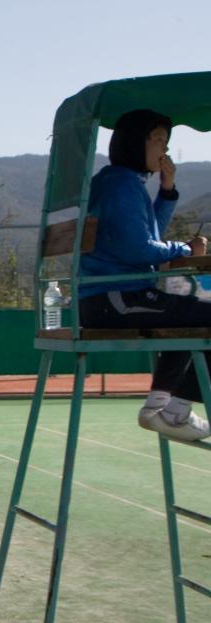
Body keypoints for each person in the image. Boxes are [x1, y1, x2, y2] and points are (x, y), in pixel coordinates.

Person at [78, 108, 210, 440]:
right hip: (114, 298)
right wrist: (184, 249)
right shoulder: (120, 184)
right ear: (134, 142)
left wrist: (167, 191)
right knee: (199, 315)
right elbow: (138, 250)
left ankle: (163, 408)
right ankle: (172, 411)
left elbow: (146, 236)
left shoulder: (122, 182)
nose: (164, 150)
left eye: (166, 142)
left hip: (111, 295)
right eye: (157, 140)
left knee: (192, 315)